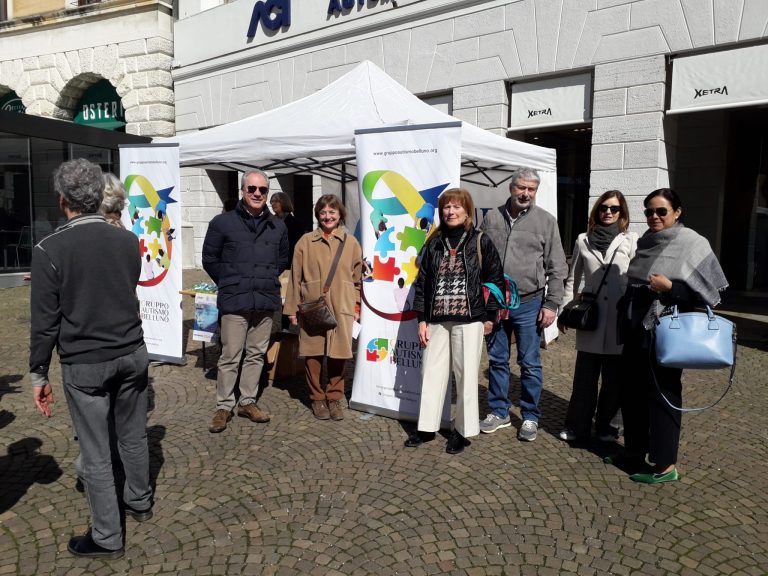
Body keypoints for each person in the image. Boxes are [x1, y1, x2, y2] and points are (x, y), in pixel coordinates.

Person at [29, 158, 152, 559]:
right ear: (99, 196)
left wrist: (38, 375)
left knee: (98, 451)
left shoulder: (49, 248)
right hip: (132, 352)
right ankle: (139, 500)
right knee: (132, 435)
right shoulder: (128, 240)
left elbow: (44, 323)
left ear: (63, 200)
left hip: (87, 361)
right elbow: (125, 287)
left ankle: (107, 536)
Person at [614, 188, 727, 484]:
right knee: (632, 395)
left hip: (664, 330)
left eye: (661, 211)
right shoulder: (646, 242)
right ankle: (635, 452)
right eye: (649, 211)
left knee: (662, 396)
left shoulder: (692, 243)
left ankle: (665, 465)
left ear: (677, 212)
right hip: (635, 327)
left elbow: (709, 294)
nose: (654, 216)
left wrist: (671, 288)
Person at [406, 188, 504, 454]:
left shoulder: (480, 241)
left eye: (456, 207)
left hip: (470, 319)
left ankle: (461, 431)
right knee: (431, 373)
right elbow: (423, 282)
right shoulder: (433, 242)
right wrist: (421, 319)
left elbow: (495, 279)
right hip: (436, 318)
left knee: (465, 376)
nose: (451, 211)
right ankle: (426, 427)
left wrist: (490, 317)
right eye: (446, 207)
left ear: (467, 210)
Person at [479, 168, 568, 441]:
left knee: (529, 363)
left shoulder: (546, 221)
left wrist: (552, 304)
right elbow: (479, 258)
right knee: (496, 360)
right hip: (495, 302)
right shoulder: (491, 217)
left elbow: (558, 267)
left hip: (529, 302)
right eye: (521, 188)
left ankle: (530, 415)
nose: (525, 193)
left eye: (531, 189)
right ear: (511, 187)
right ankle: (499, 410)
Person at [202, 169, 289, 433]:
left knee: (256, 354)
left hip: (264, 299)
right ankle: (224, 405)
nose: (257, 194)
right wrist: (230, 280)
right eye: (252, 189)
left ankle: (247, 401)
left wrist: (261, 279)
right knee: (230, 355)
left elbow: (282, 260)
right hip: (234, 299)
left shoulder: (278, 225)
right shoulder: (222, 222)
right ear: (242, 191)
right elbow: (210, 259)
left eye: (262, 190)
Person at [558, 190, 637, 442]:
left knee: (614, 380)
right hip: (591, 317)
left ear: (622, 213)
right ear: (597, 210)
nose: (608, 212)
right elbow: (573, 278)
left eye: (614, 209)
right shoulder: (583, 239)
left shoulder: (631, 240)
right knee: (584, 379)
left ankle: (608, 428)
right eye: (604, 207)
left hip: (618, 318)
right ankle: (576, 426)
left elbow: (636, 278)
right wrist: (565, 311)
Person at [284, 194, 362, 420]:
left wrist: (356, 305)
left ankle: (335, 397)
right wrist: (291, 310)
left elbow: (358, 279)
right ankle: (317, 399)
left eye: (332, 212)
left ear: (340, 215)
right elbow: (295, 277)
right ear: (318, 215)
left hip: (342, 307)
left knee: (340, 355)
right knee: (313, 354)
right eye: (323, 212)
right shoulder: (305, 242)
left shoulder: (351, 243)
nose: (328, 216)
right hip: (312, 307)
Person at [270, 191, 305, 262]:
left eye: (276, 201)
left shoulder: (295, 223)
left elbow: (299, 246)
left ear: (284, 202)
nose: (273, 204)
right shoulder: (269, 222)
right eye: (272, 201)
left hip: (290, 262)